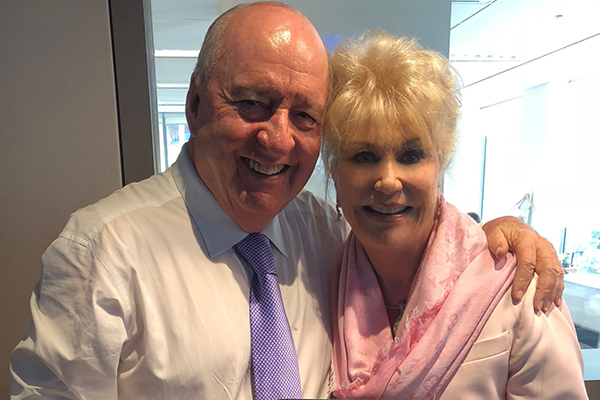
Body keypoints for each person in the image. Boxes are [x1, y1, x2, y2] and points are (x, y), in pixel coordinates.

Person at [10, 3, 564, 400]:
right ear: (196, 104)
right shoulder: (102, 253)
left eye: (304, 116)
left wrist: (505, 231)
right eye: (252, 102)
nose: (277, 139)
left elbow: (429, 252)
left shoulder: (322, 235)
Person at [324, 31, 586, 399]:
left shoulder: (518, 286)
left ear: (440, 166)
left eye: (411, 155)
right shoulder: (322, 278)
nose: (388, 181)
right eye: (364, 156)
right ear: (335, 173)